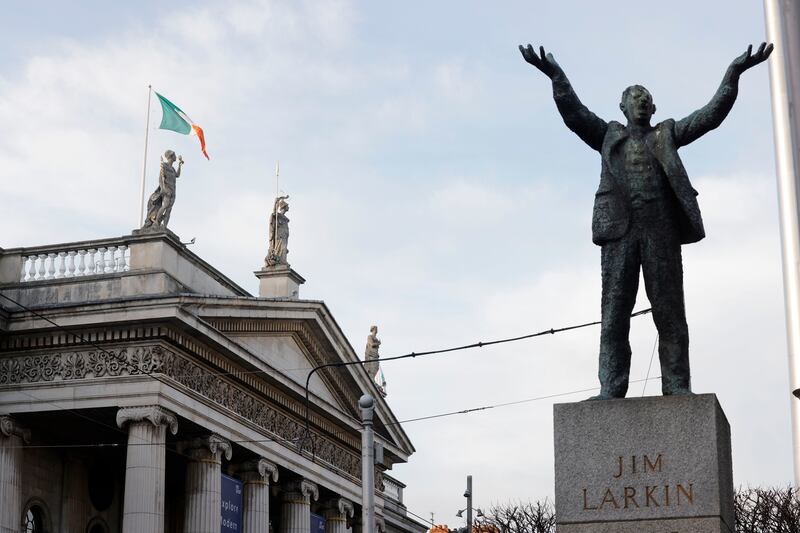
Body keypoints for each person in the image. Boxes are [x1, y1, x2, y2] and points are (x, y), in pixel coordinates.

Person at [519, 42, 773, 398]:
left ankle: (677, 385)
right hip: (619, 232)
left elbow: (710, 115)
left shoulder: (665, 134)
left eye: (646, 98)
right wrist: (555, 75)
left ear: (654, 108)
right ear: (622, 107)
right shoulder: (607, 134)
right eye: (634, 97)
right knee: (614, 314)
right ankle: (611, 387)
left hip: (660, 231)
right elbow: (574, 113)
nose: (640, 102)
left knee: (669, 312)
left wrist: (733, 74)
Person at [142, 150, 184, 229]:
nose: (176, 156)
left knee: (169, 209)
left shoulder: (172, 168)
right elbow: (160, 179)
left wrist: (180, 165)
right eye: (174, 155)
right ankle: (156, 223)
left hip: (173, 190)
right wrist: (163, 189)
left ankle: (164, 226)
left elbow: (177, 175)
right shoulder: (164, 165)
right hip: (166, 189)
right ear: (171, 156)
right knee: (164, 206)